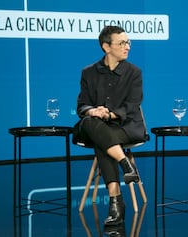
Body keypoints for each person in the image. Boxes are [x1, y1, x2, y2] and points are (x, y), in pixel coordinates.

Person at [74, 25, 145, 227]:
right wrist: (93, 111)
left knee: (102, 141)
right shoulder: (88, 72)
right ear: (106, 47)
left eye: (128, 42)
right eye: (122, 43)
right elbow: (82, 105)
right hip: (97, 125)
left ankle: (116, 202)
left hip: (125, 126)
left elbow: (133, 105)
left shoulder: (134, 72)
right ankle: (125, 163)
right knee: (90, 122)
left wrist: (110, 114)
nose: (127, 47)